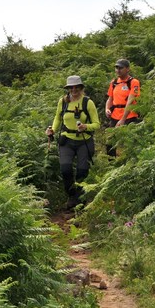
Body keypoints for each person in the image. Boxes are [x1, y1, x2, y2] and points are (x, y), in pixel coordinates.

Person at [46, 75, 100, 209]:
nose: (74, 90)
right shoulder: (63, 101)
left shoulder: (88, 103)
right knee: (65, 169)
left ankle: (80, 199)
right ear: (68, 88)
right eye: (71, 87)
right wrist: (52, 129)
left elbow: (97, 124)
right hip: (66, 140)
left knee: (82, 171)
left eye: (77, 87)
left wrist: (85, 127)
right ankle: (71, 196)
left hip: (84, 141)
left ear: (81, 88)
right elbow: (58, 118)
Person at [105, 58, 140, 127]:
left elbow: (130, 101)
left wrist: (123, 119)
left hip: (129, 117)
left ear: (127, 69)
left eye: (121, 68)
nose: (118, 70)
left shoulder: (134, 82)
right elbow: (110, 98)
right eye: (116, 68)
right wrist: (107, 109)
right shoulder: (114, 82)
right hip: (114, 116)